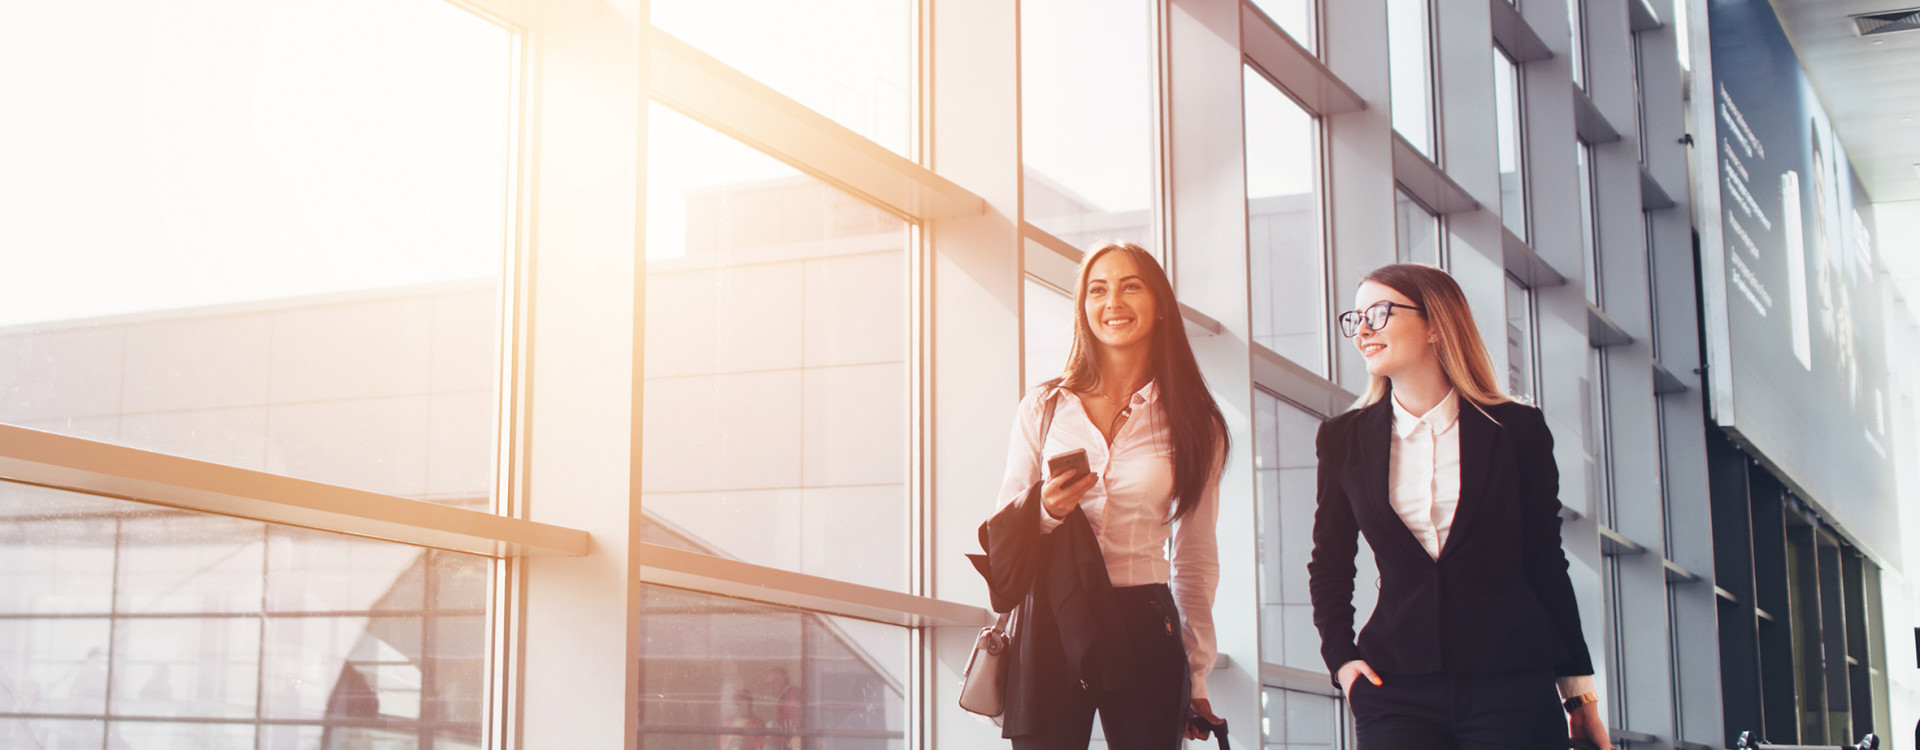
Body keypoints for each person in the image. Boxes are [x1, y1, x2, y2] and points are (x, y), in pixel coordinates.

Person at [1307, 264, 1611, 750]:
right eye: (1355, 317)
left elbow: (1545, 562)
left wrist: (1580, 697)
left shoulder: (1516, 430)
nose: (1362, 329)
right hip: (1394, 688)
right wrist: (1342, 661)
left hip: (1512, 684)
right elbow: (1330, 564)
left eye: (1379, 313)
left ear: (1435, 324)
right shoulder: (1343, 439)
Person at [979, 241, 1227, 749]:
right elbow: (1004, 527)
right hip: (1051, 619)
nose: (1112, 302)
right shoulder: (1044, 408)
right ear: (1084, 307)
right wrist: (1047, 509)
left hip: (1144, 620)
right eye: (1098, 290)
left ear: (1159, 305)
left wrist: (1197, 674)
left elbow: (1196, 558)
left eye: (1130, 286)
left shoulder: (1195, 423)